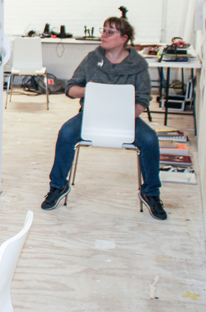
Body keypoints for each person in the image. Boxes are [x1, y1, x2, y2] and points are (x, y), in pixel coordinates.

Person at [41, 17, 167, 220]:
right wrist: (89, 90)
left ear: (124, 38)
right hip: (90, 116)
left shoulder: (138, 64)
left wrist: (126, 118)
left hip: (125, 118)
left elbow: (143, 99)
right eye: (104, 30)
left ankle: (151, 193)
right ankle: (58, 186)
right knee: (66, 133)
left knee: (150, 139)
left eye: (110, 32)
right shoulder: (93, 58)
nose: (104, 35)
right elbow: (70, 89)